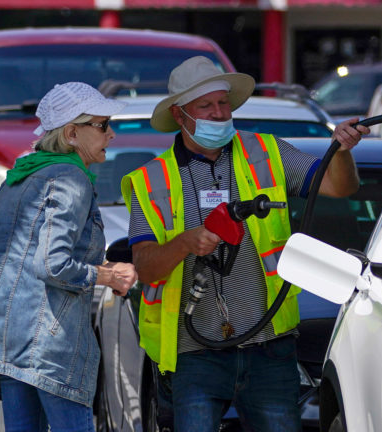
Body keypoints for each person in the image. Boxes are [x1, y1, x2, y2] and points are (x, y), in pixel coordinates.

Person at [120, 56, 368, 431]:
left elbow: (339, 186)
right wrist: (184, 243)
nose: (219, 113)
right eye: (206, 106)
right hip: (195, 355)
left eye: (223, 103)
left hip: (269, 348)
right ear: (180, 114)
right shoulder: (151, 180)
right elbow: (146, 268)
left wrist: (342, 151)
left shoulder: (266, 152)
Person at [0, 81, 138, 432]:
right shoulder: (73, 179)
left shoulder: (21, 177)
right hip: (52, 343)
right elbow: (53, 264)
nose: (111, 134)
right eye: (103, 125)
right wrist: (107, 275)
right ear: (72, 133)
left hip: (8, 340)